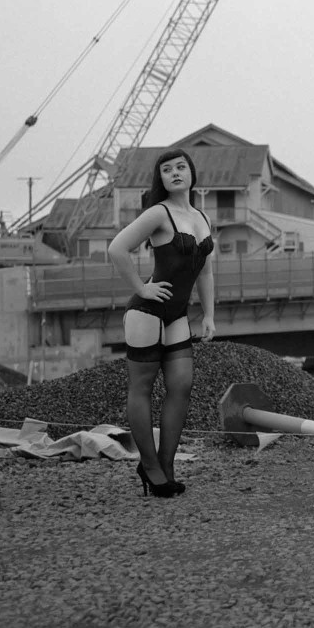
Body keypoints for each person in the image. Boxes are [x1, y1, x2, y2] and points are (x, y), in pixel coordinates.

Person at [108, 149, 215, 498]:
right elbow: (117, 249)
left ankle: (166, 466)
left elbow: (207, 270)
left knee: (181, 386)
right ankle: (151, 467)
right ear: (161, 179)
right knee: (141, 388)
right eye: (167, 170)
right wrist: (141, 287)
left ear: (192, 174)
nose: (175, 173)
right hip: (147, 313)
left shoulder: (201, 217)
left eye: (181, 167)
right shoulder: (159, 213)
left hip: (178, 315)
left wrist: (209, 314)